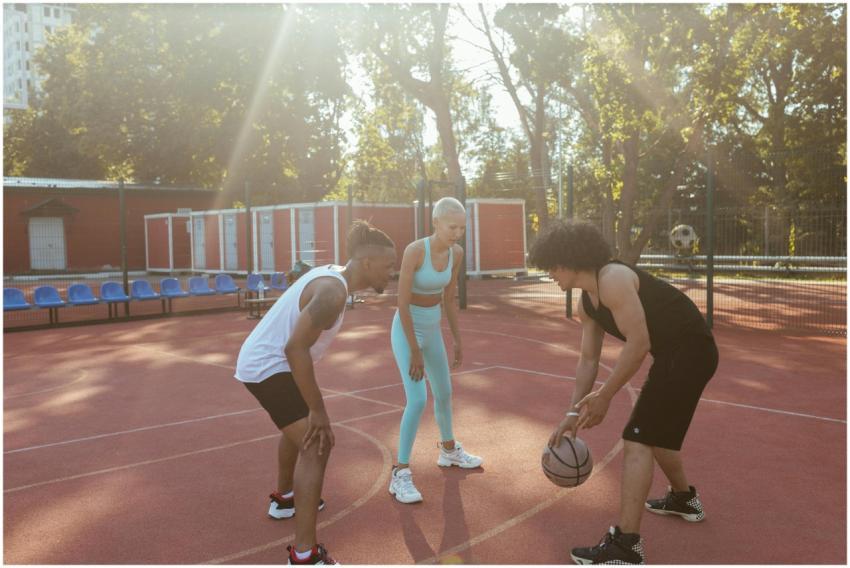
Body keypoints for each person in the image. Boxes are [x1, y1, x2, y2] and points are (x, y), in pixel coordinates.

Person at [528, 220, 719, 565]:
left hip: (691, 350)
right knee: (654, 433)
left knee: (637, 438)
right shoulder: (587, 303)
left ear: (571, 260)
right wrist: (571, 414)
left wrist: (604, 396)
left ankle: (626, 546)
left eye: (553, 266)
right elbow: (588, 360)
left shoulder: (613, 279)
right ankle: (683, 499)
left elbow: (639, 343)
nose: (551, 274)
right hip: (673, 354)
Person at [235, 220, 397, 565]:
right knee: (317, 442)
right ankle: (305, 555)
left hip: (267, 360)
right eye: (388, 266)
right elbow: (296, 348)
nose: (392, 273)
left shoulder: (334, 277)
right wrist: (319, 411)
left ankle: (285, 499)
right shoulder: (334, 293)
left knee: (302, 430)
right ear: (367, 263)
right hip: (269, 365)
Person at [388, 197, 483, 504]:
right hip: (407, 329)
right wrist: (414, 350)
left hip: (432, 328)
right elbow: (402, 303)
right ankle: (400, 472)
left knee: (444, 392)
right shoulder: (416, 251)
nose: (457, 232)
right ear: (436, 223)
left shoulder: (456, 253)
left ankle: (448, 450)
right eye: (452, 226)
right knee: (417, 400)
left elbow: (449, 297)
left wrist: (456, 338)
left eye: (462, 227)